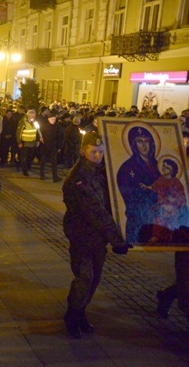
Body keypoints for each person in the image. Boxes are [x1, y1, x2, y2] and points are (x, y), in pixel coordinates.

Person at [62, 131, 129, 338]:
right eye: (93, 152)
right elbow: (96, 212)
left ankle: (81, 312)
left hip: (98, 239)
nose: (98, 156)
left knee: (95, 279)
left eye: (101, 152)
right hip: (82, 237)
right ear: (83, 152)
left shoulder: (102, 174)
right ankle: (72, 316)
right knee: (84, 278)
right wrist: (117, 240)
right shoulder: (78, 179)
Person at [116, 125, 161, 244]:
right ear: (133, 145)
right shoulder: (127, 167)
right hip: (138, 219)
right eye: (140, 142)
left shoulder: (161, 166)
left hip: (157, 219)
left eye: (147, 141)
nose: (144, 145)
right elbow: (128, 193)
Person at [15, 109, 39, 176]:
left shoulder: (35, 122)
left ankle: (27, 167)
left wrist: (37, 140)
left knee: (30, 156)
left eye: (34, 116)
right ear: (28, 115)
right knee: (24, 157)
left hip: (32, 143)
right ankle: (24, 170)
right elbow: (18, 133)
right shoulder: (22, 122)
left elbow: (38, 132)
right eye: (31, 116)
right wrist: (19, 142)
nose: (32, 117)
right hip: (25, 143)